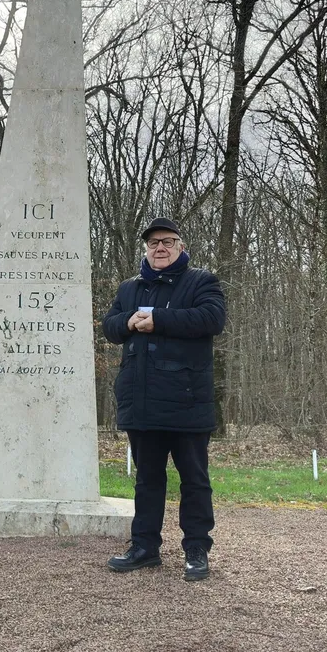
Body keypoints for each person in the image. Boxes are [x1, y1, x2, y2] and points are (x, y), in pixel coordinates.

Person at [102, 217, 226, 581]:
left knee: (194, 478)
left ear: (181, 248)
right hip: (140, 402)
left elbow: (211, 318)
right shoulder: (129, 288)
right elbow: (110, 326)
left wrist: (157, 319)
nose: (160, 248)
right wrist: (128, 322)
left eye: (168, 242)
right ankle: (144, 547)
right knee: (147, 479)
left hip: (187, 401)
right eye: (154, 243)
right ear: (146, 250)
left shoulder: (203, 281)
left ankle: (197, 549)